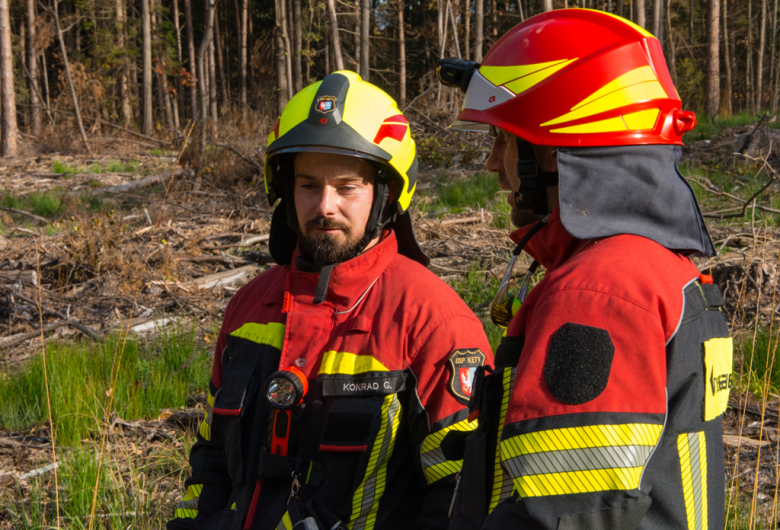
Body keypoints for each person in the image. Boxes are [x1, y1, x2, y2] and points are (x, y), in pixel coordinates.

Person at [438, 9, 733, 530]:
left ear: (551, 151)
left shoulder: (598, 294)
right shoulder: (658, 270)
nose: (490, 164)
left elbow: (566, 516)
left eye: (503, 139)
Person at [167, 71, 493, 530]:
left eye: (346, 187)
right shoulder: (248, 307)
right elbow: (211, 464)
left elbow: (460, 495)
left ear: (384, 196)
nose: (324, 206)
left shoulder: (432, 322)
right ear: (283, 190)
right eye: (307, 185)